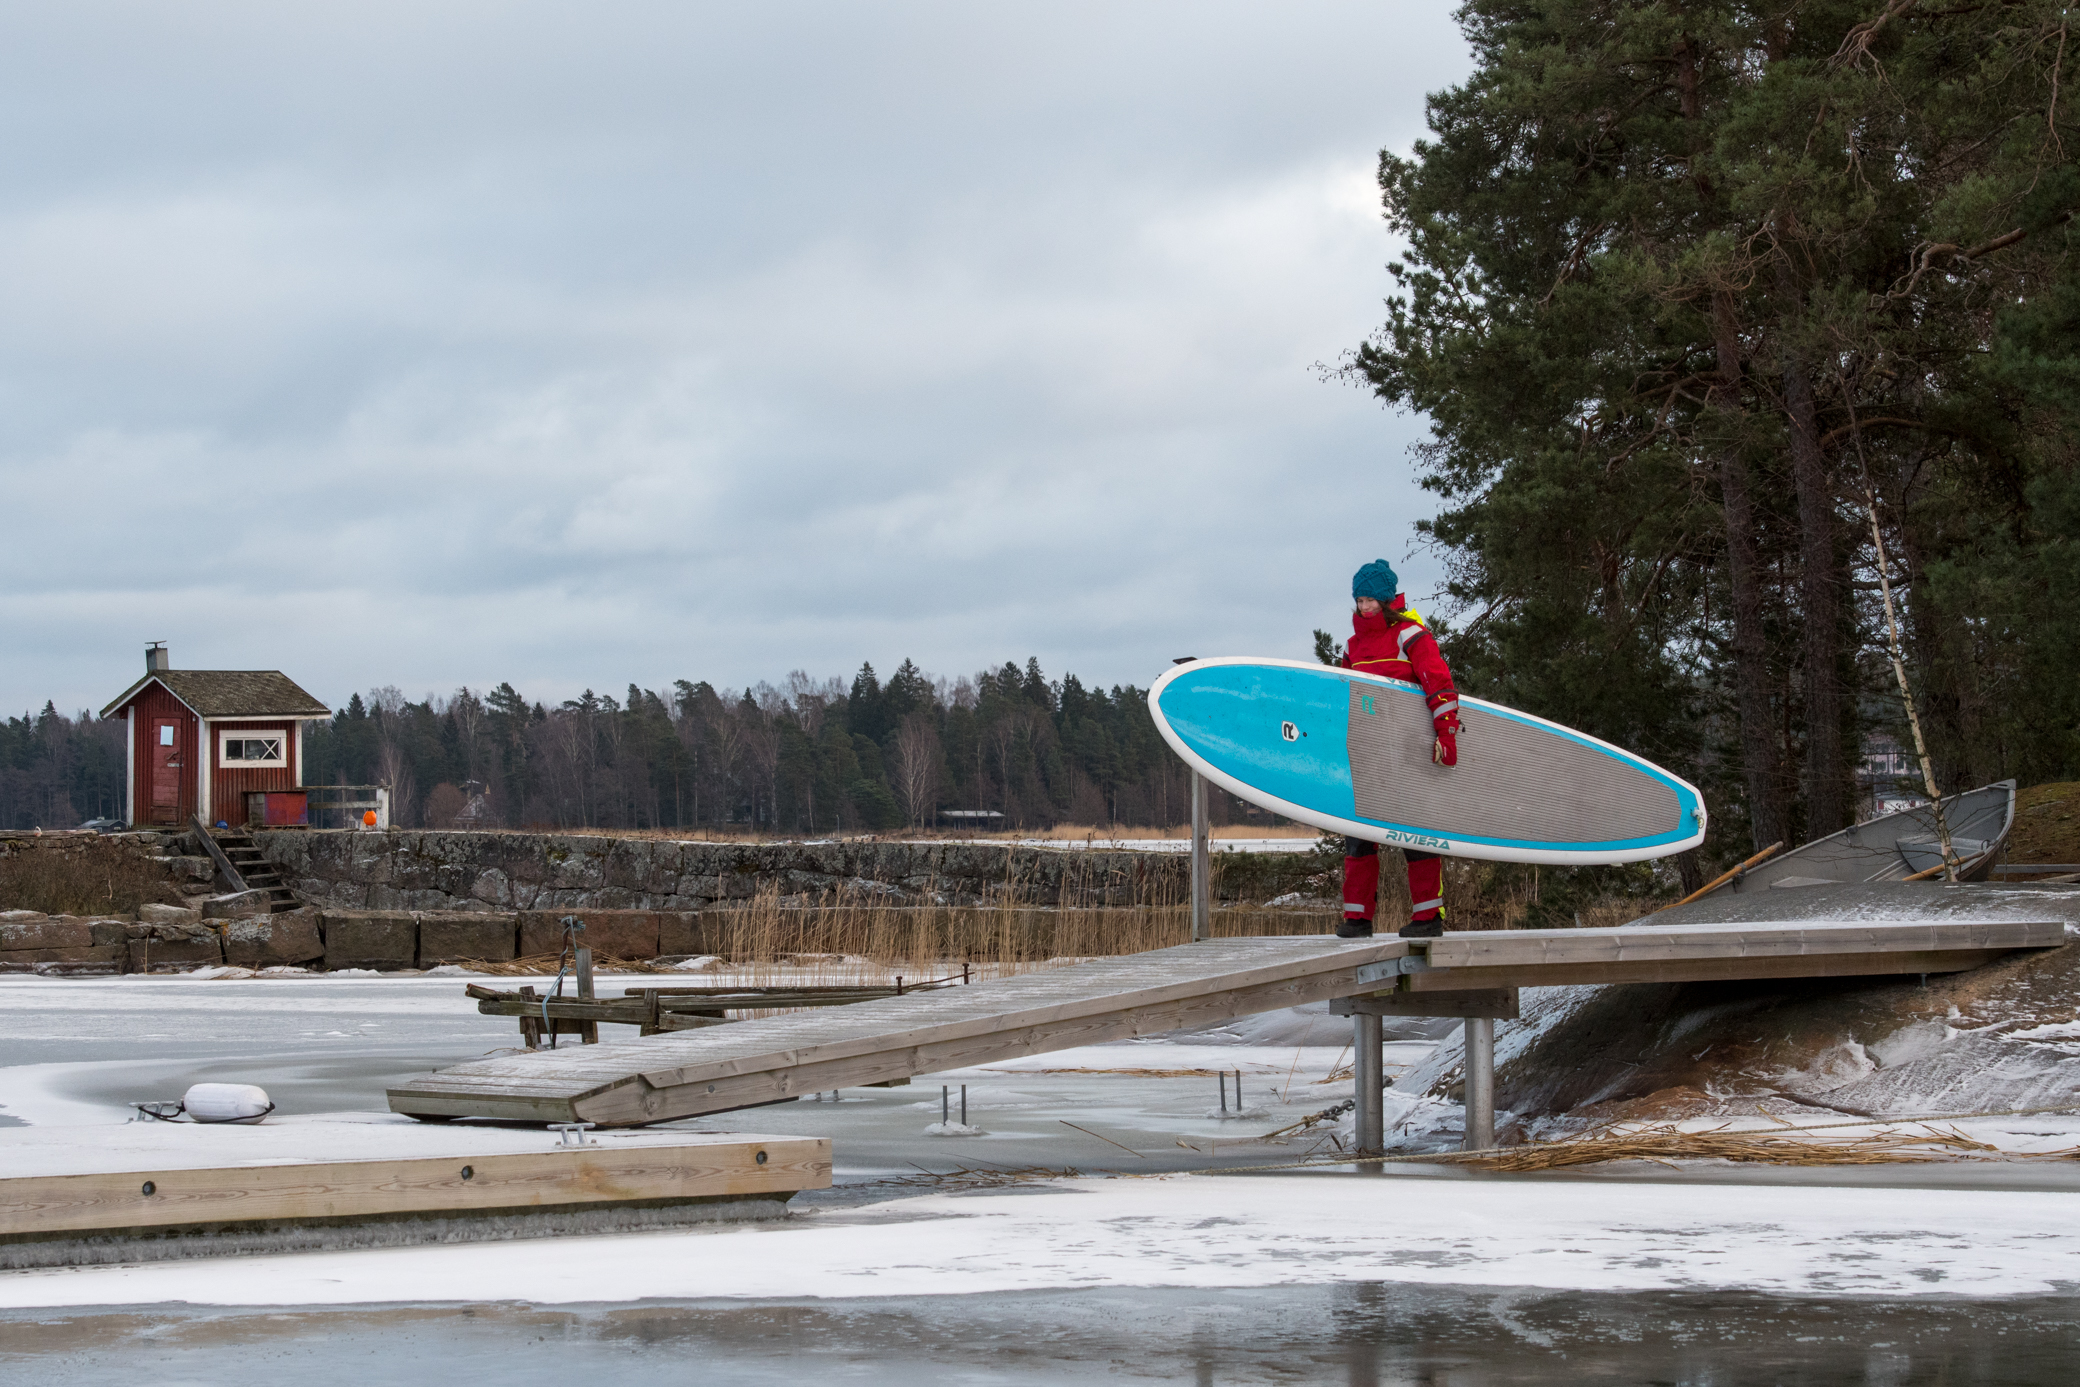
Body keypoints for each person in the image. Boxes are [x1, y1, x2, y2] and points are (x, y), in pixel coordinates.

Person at [1338, 558, 1460, 939]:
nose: (1364, 607)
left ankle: (1428, 918)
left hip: (1408, 753)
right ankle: (1357, 920)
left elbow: (1438, 682)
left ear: (1387, 599)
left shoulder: (1410, 635)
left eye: (1371, 599)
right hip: (1368, 753)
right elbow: (1345, 698)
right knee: (1357, 836)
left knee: (1415, 835)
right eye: (1359, 600)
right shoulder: (1352, 646)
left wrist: (1446, 733)